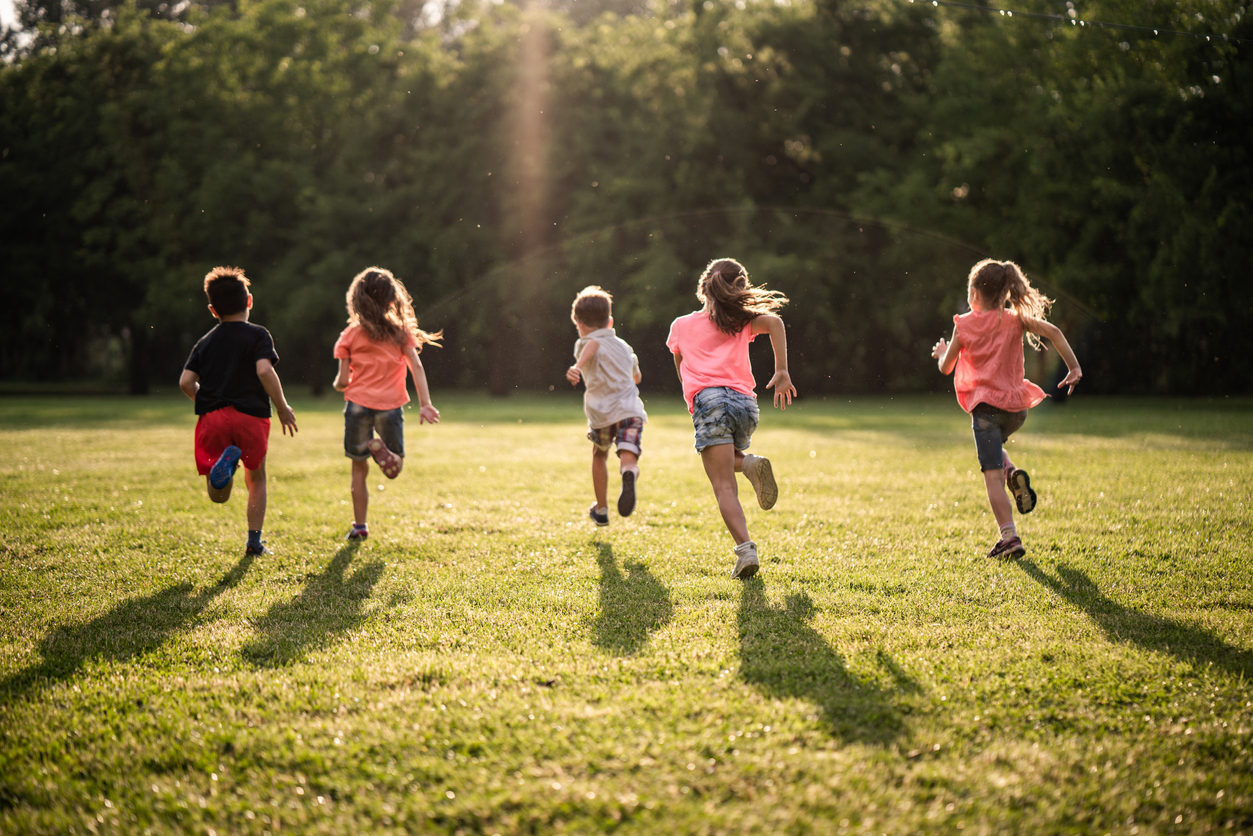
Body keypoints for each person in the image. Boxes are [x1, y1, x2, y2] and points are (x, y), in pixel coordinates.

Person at [931, 259, 1082, 559]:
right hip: (1016, 409)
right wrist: (1074, 367)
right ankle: (1012, 472)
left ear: (974, 293)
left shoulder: (964, 324)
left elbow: (946, 367)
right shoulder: (1016, 319)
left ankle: (1009, 537)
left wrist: (940, 353)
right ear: (1004, 294)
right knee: (996, 452)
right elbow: (1054, 331)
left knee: (991, 476)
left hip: (985, 411)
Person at [666, 258, 796, 579]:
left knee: (723, 484)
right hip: (745, 405)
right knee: (728, 463)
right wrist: (781, 370)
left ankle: (746, 550)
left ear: (703, 287)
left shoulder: (681, 325)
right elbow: (776, 323)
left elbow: (680, 367)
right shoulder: (741, 320)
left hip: (709, 401)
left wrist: (693, 395)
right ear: (740, 288)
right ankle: (749, 464)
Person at [179, 266, 298, 556]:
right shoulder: (258, 335)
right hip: (252, 417)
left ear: (212, 310)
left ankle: (225, 468)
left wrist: (205, 402)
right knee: (256, 478)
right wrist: (282, 407)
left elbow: (185, 381)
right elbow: (264, 369)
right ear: (249, 301)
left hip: (214, 418)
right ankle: (254, 542)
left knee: (218, 496)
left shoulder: (204, 342)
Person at [332, 267, 441, 541]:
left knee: (359, 467)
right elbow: (415, 366)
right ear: (392, 300)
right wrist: (425, 403)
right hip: (390, 406)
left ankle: (359, 526)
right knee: (396, 465)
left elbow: (343, 380)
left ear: (356, 299)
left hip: (357, 405)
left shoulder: (350, 335)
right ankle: (388, 454)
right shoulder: (399, 333)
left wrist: (340, 384)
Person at [565, 286, 648, 525]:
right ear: (610, 321)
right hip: (631, 411)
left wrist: (578, 367)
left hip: (602, 415)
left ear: (579, 324)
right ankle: (629, 472)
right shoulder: (624, 347)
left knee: (599, 454)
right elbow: (637, 377)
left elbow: (593, 345)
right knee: (627, 452)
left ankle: (601, 510)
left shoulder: (585, 342)